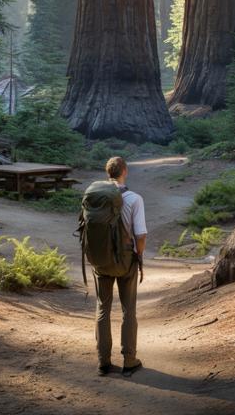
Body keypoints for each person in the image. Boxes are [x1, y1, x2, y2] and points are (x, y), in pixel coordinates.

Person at [95, 156, 146, 377]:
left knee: (102, 308)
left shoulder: (95, 197)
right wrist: (138, 254)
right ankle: (129, 360)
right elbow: (140, 235)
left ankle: (103, 362)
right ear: (124, 171)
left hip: (101, 260)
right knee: (128, 310)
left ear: (108, 172)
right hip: (126, 260)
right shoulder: (134, 198)